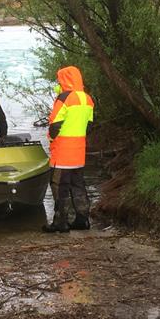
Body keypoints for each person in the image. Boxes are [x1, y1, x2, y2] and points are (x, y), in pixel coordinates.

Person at [43, 65, 94, 232]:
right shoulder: (87, 99)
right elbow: (89, 125)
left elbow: (55, 124)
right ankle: (83, 219)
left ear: (65, 80)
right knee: (78, 185)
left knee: (59, 185)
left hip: (62, 153)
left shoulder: (64, 98)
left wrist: (51, 138)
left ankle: (60, 222)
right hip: (78, 152)